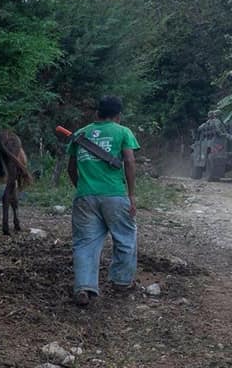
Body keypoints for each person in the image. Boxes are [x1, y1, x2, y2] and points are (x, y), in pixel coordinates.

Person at [67, 95, 140, 307]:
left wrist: (82, 188)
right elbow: (129, 161)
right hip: (115, 194)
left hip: (85, 195)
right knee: (125, 237)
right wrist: (131, 194)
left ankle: (83, 287)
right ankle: (122, 281)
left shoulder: (80, 134)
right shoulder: (123, 132)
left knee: (85, 243)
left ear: (97, 113)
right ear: (119, 115)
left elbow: (71, 168)